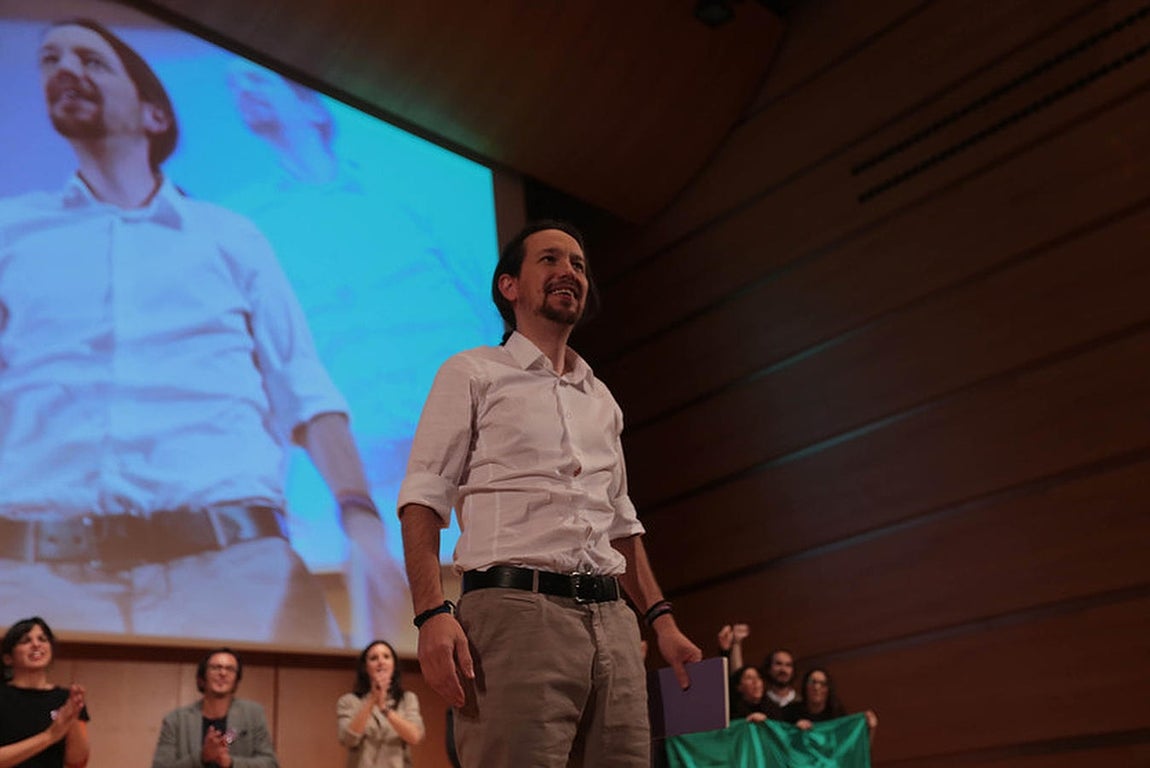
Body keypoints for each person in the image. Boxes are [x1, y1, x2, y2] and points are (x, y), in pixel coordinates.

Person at [0, 17, 392, 648]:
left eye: (91, 60)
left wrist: (361, 521)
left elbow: (304, 388)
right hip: (33, 580)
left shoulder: (229, 235)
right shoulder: (9, 232)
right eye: (50, 59)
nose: (64, 68)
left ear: (154, 114)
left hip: (233, 573)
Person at [398, 220, 703, 767]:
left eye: (579, 265)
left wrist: (662, 622)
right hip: (514, 615)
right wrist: (429, 615)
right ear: (508, 286)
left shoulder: (602, 398)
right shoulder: (472, 372)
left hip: (614, 625)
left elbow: (621, 524)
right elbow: (424, 497)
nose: (569, 272)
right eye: (550, 260)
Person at [151, 648, 277, 768]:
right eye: (216, 667)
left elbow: (270, 764)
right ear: (202, 677)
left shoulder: (252, 715)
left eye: (230, 669)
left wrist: (230, 763)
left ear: (236, 680)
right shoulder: (176, 720)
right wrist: (201, 758)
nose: (222, 673)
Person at [0, 617, 89, 768]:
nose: (36, 644)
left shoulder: (66, 698)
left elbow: (77, 762)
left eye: (42, 639)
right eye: (25, 641)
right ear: (8, 658)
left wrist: (72, 718)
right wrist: (49, 736)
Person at [336, 640, 424, 768]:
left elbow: (415, 737)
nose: (380, 662)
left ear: (394, 665)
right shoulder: (348, 701)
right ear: (365, 667)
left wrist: (384, 709)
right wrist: (372, 700)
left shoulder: (407, 699)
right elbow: (349, 739)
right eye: (374, 658)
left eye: (386, 657)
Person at [781, 667, 878, 733]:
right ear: (805, 686)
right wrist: (793, 730)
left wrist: (870, 728)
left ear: (828, 689)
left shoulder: (837, 714)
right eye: (812, 682)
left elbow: (851, 749)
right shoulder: (790, 712)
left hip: (828, 763)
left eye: (822, 684)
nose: (817, 687)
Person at [760, 649, 798, 719]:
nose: (783, 669)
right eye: (778, 664)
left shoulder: (802, 702)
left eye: (788, 665)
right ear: (769, 669)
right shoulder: (760, 702)